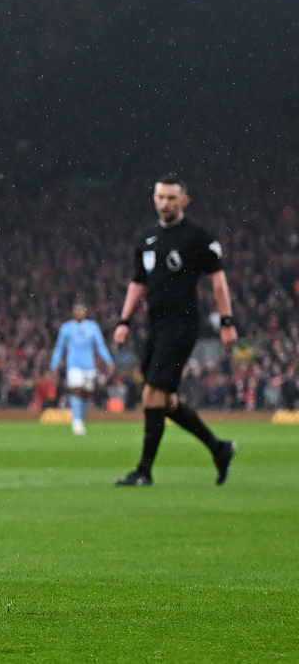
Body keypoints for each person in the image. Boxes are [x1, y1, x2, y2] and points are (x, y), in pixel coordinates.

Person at [113, 175, 238, 486]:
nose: (165, 203)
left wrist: (226, 322)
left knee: (152, 393)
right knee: (164, 401)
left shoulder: (198, 236)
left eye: (172, 198)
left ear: (185, 201)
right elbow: (138, 281)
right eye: (161, 197)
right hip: (155, 325)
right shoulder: (147, 239)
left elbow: (218, 280)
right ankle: (218, 448)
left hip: (181, 324)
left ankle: (144, 471)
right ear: (154, 199)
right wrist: (124, 321)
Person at [50, 303, 114, 435]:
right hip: (74, 365)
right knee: (77, 390)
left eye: (81, 311)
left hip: (89, 366)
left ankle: (81, 418)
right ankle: (77, 421)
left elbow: (100, 345)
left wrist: (108, 360)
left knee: (86, 393)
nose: (79, 313)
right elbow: (60, 347)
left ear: (85, 312)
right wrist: (54, 364)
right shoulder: (66, 328)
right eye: (76, 311)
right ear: (73, 313)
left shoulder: (92, 327)